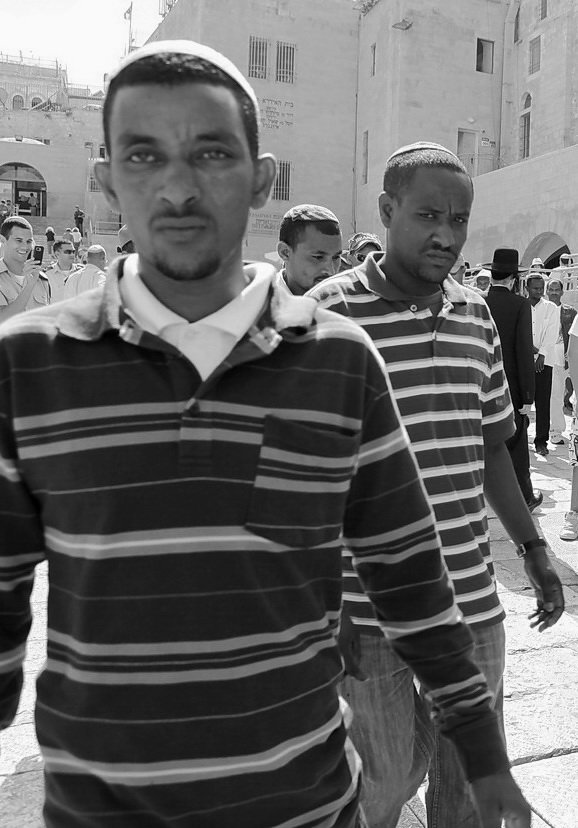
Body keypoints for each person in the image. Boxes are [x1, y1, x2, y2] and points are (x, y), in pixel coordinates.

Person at [0, 45, 535, 828]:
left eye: (213, 153)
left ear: (260, 178)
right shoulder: (28, 364)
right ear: (106, 178)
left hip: (302, 800)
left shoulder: (337, 357)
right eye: (144, 154)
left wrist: (484, 755)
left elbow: (408, 567)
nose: (179, 186)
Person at [310, 141, 564, 828]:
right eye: (428, 216)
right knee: (385, 781)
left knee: (472, 789)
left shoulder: (476, 315)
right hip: (367, 603)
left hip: (469, 598)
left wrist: (534, 549)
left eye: (459, 219)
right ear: (387, 210)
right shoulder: (327, 313)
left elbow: (493, 447)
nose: (447, 236)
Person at [485, 248, 542, 511]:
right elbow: (523, 350)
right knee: (517, 444)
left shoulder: (478, 302)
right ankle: (525, 496)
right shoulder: (520, 305)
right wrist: (528, 395)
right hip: (510, 386)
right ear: (513, 278)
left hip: (480, 384)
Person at [276, 203, 343, 294]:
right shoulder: (260, 298)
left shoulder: (348, 300)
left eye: (336, 258)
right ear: (285, 252)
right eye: (318, 257)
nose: (331, 271)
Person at [527, 273, 559, 455]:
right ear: (527, 288)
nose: (539, 291)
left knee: (542, 403)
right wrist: (528, 349)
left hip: (544, 362)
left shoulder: (551, 308)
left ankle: (541, 442)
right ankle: (518, 438)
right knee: (521, 402)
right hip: (523, 360)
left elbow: (552, 333)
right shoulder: (521, 306)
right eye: (535, 288)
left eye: (541, 288)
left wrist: (541, 355)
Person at [545, 277, 577, 445]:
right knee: (555, 396)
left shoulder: (570, 312)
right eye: (551, 290)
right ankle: (556, 431)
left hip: (570, 358)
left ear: (562, 292)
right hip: (551, 359)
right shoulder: (542, 310)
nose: (554, 293)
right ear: (546, 292)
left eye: (557, 290)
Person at [0, 215, 50, 320]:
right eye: (19, 240)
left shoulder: (42, 279)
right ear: (3, 240)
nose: (25, 246)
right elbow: (3, 320)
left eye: (29, 241)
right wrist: (29, 285)